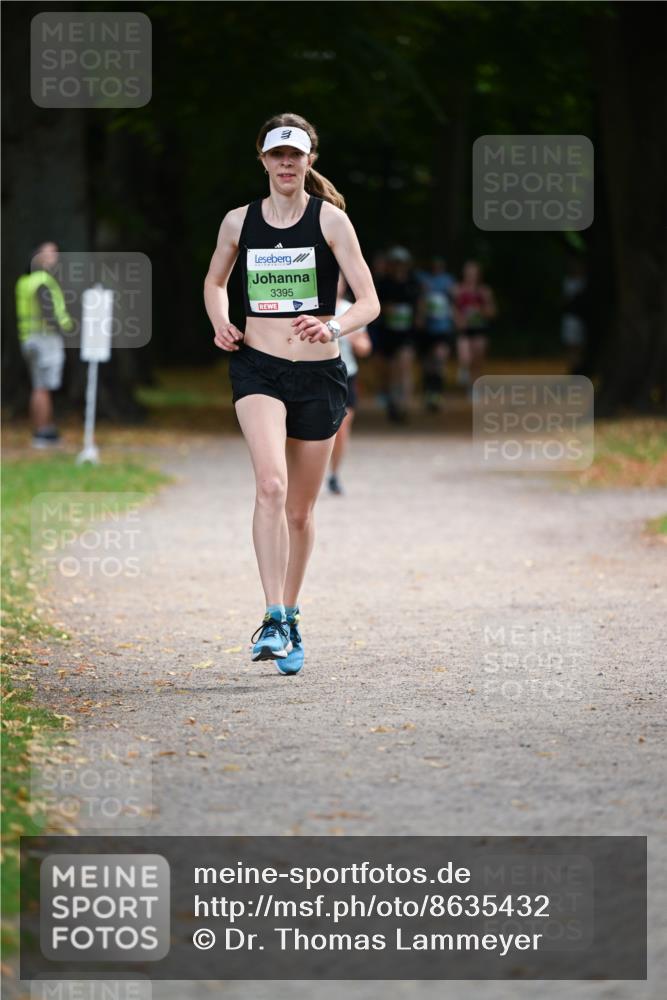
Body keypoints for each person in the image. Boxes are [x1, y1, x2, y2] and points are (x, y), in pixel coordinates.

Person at [204, 112, 380, 676]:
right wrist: (221, 320)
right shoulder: (239, 222)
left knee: (301, 513)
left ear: (309, 161)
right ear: (262, 159)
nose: (286, 163)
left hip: (319, 374)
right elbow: (213, 282)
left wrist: (332, 327)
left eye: (295, 154)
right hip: (257, 368)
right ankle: (273, 615)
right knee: (270, 485)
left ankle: (294, 614)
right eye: (277, 154)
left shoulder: (332, 221)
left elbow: (369, 302)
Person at [16, 242, 74, 448]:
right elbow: (49, 312)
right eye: (49, 253)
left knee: (39, 386)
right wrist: (67, 330)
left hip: (29, 339)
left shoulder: (25, 281)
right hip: (44, 339)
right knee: (43, 387)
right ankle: (43, 432)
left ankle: (45, 429)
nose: (55, 257)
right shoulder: (42, 281)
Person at [327, 273, 372, 495]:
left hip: (347, 375)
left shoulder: (350, 309)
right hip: (320, 375)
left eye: (339, 279)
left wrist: (351, 337)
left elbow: (365, 348)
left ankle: (334, 475)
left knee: (342, 429)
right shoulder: (307, 306)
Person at [374, 246, 421, 422]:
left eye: (402, 263)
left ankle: (404, 405)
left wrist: (419, 318)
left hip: (407, 334)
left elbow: (420, 303)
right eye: (395, 263)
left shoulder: (413, 283)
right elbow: (374, 305)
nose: (399, 267)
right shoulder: (383, 283)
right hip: (387, 333)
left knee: (405, 367)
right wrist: (387, 309)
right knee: (389, 370)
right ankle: (392, 401)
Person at [416, 255, 456, 412]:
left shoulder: (449, 281)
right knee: (427, 364)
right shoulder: (422, 279)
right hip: (427, 329)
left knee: (439, 361)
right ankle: (428, 393)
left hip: (443, 329)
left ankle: (437, 394)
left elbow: (455, 299)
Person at [452, 260, 497, 392]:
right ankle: (464, 370)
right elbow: (452, 309)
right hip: (464, 330)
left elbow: (492, 312)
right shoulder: (457, 290)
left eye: (473, 273)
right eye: (468, 273)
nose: (470, 276)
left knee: (477, 360)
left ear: (478, 275)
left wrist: (481, 310)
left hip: (480, 330)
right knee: (465, 357)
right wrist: (458, 319)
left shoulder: (484, 291)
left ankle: (473, 388)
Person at [561, 257, 588, 374]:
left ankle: (579, 369)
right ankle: (573, 369)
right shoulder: (568, 281)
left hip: (582, 318)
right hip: (571, 318)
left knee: (580, 346)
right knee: (571, 345)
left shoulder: (585, 281)